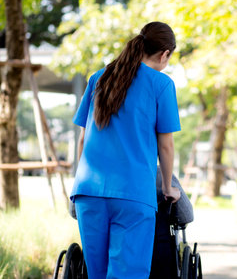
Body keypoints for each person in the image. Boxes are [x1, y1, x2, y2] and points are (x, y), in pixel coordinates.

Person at [71, 21, 181, 279]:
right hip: (132, 195)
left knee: (95, 274)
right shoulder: (162, 85)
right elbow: (166, 145)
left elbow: (82, 139)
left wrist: (81, 183)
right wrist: (167, 188)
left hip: (88, 192)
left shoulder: (99, 78)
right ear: (165, 54)